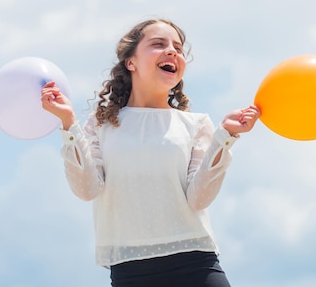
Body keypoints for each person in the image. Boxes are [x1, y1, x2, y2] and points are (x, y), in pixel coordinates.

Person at [41, 18, 259, 287]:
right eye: (158, 44)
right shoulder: (100, 126)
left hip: (197, 265)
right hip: (130, 272)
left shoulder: (196, 124)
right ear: (130, 62)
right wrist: (68, 123)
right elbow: (87, 189)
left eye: (178, 48)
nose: (172, 51)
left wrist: (226, 136)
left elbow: (198, 199)